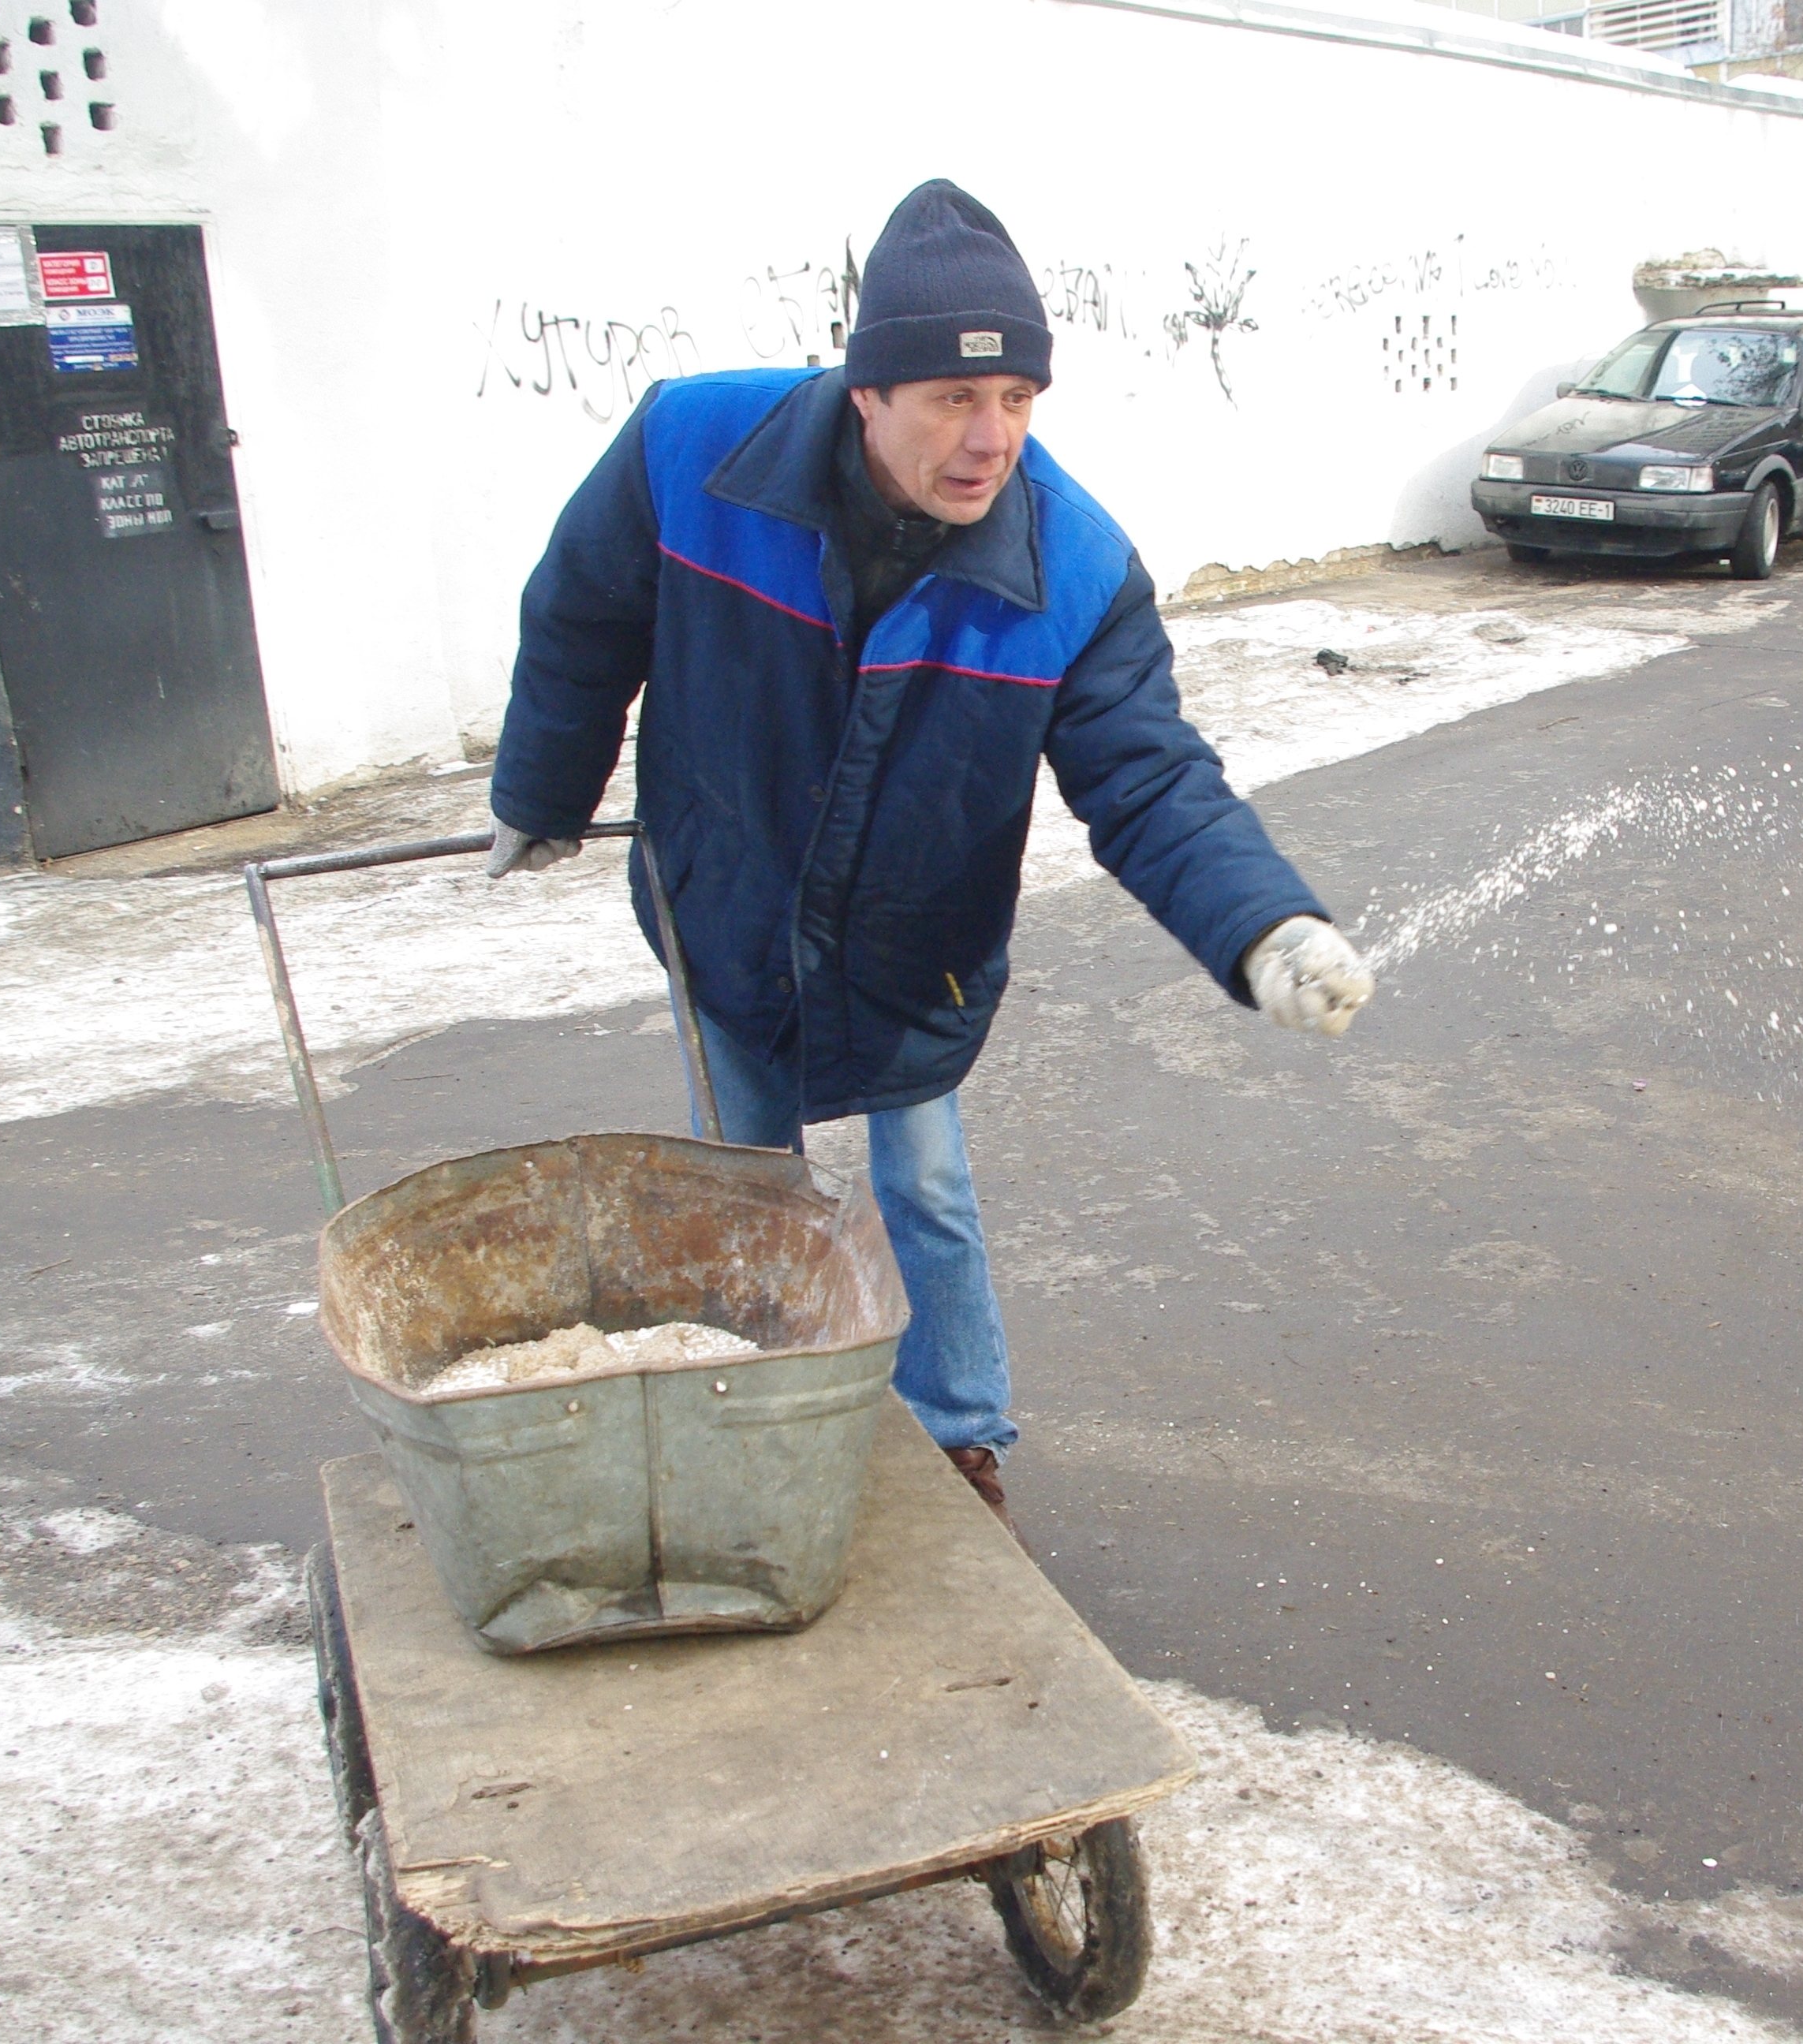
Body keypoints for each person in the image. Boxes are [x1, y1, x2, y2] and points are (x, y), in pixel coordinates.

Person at [483, 181, 1372, 1528]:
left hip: (915, 937)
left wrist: (1264, 926)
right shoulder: (692, 449)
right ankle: (762, 1423)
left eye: (1019, 398)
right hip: (724, 890)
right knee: (748, 1188)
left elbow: (1148, 777)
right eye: (956, 401)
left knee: (926, 1188)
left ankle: (957, 1432)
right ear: (868, 392)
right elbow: (581, 613)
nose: (991, 439)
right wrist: (543, 786)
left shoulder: (1071, 568)